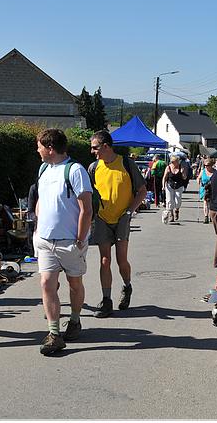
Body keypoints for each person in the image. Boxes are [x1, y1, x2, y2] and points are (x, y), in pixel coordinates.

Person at [33, 129, 93, 355]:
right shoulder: (43, 169)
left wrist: (80, 239)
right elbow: (41, 199)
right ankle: (54, 333)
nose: (37, 150)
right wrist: (38, 227)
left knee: (74, 283)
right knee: (47, 284)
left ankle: (75, 320)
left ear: (50, 148)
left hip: (70, 241)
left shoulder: (75, 170)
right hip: (46, 240)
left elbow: (86, 209)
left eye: (39, 146)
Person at [89, 130, 147, 318]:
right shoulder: (93, 168)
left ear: (106, 146)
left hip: (122, 218)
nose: (92, 151)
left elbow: (142, 191)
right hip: (102, 219)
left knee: (122, 260)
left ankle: (127, 286)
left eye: (95, 147)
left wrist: (129, 212)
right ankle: (106, 300)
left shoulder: (127, 164)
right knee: (104, 260)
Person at [163, 155, 188, 223]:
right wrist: (163, 186)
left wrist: (183, 172)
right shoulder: (168, 167)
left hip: (179, 186)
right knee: (169, 200)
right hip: (169, 185)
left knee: (178, 201)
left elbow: (185, 178)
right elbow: (164, 177)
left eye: (176, 161)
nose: (174, 163)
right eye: (173, 161)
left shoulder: (181, 167)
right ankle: (171, 215)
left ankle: (177, 210)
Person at [198, 157, 215, 224]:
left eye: (207, 165)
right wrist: (199, 182)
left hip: (212, 189)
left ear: (211, 165)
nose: (206, 167)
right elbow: (198, 178)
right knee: (205, 203)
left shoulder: (215, 172)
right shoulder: (203, 171)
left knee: (211, 203)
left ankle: (211, 216)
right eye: (205, 165)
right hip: (204, 188)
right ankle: (206, 217)